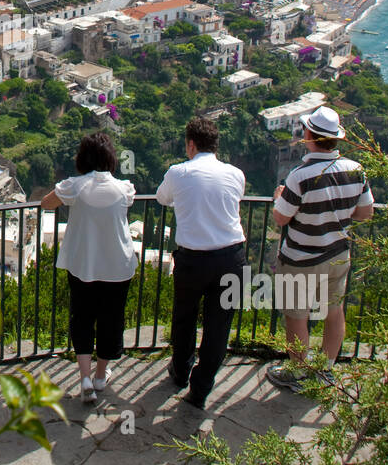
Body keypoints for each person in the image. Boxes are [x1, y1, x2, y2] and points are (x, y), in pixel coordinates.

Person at [266, 105, 374, 393]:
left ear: (310, 135)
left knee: (296, 315)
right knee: (334, 310)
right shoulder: (356, 170)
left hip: (301, 258)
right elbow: (365, 214)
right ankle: (325, 370)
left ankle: (298, 372)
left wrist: (279, 198)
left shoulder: (299, 176)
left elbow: (281, 218)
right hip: (338, 255)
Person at [156, 117, 248, 409]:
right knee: (218, 326)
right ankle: (201, 388)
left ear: (191, 144)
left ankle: (180, 372)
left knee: (184, 319)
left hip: (193, 259)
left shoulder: (178, 172)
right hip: (231, 257)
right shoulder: (235, 173)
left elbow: (162, 198)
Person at [41, 131, 137, 404]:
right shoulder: (124, 188)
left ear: (82, 158)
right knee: (111, 319)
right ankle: (100, 376)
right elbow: (126, 202)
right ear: (111, 158)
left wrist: (65, 192)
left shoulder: (75, 186)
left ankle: (84, 378)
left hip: (83, 264)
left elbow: (46, 203)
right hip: (118, 265)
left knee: (82, 317)